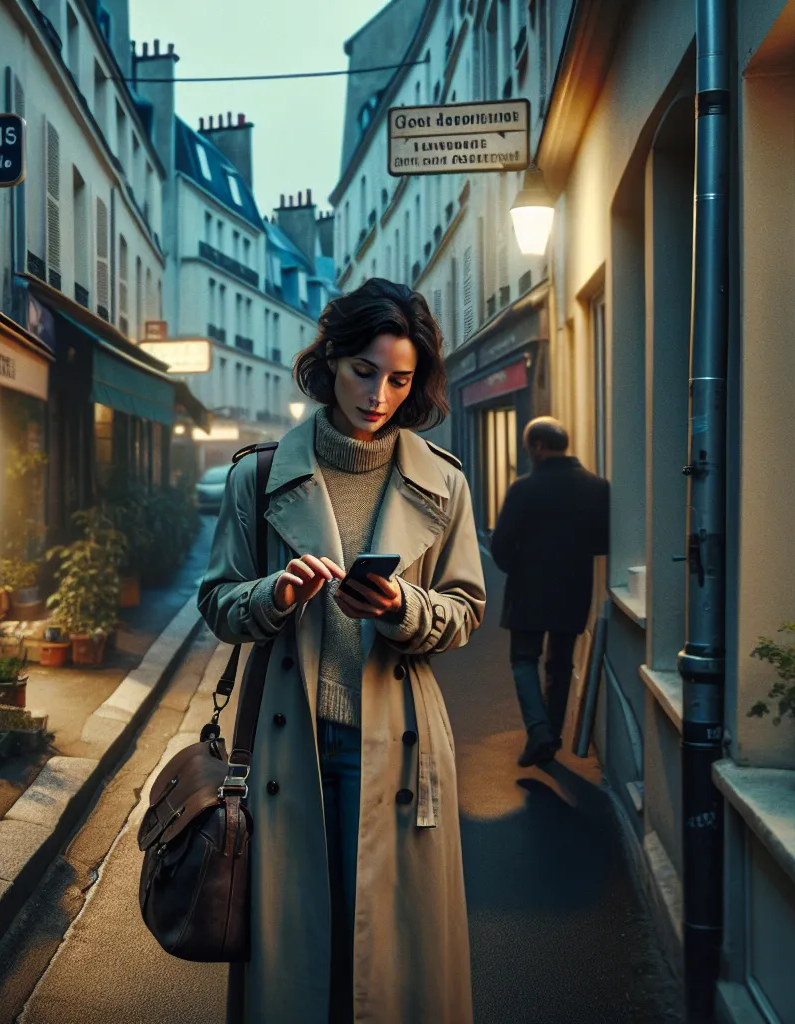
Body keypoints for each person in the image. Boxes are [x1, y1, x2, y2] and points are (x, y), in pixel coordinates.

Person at [199, 278, 486, 1024]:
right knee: (299, 963)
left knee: (389, 971)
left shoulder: (444, 484)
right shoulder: (257, 476)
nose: (380, 395)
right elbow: (217, 602)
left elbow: (465, 611)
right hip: (291, 747)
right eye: (365, 370)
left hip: (402, 745)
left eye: (401, 378)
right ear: (329, 361)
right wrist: (274, 596)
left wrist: (403, 608)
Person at [487, 416, 610, 767]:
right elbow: (602, 541)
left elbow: (501, 545)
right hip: (573, 590)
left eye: (529, 447)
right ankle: (551, 737)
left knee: (524, 660)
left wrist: (521, 568)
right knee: (560, 665)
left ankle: (539, 730)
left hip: (528, 591)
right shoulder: (597, 487)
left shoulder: (524, 488)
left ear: (538, 446)